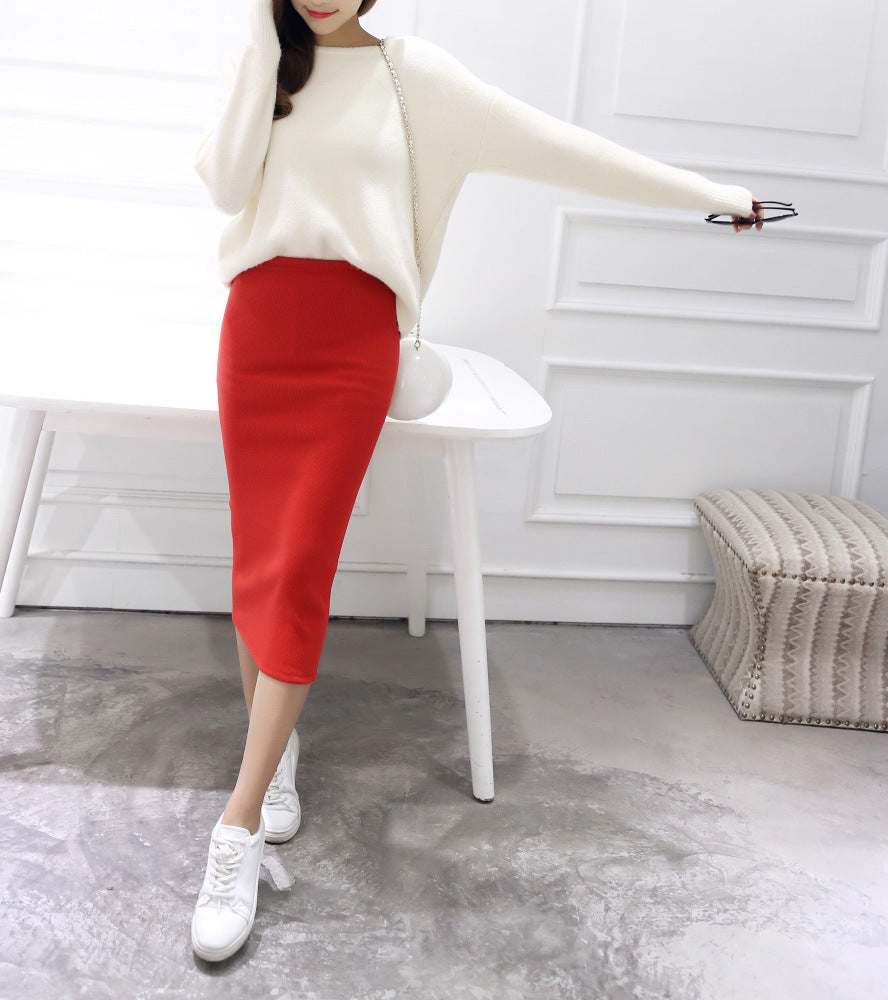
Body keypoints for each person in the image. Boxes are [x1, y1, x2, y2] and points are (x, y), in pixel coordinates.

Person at [188, 0, 763, 962]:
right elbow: (222, 184)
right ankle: (273, 754)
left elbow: (561, 148)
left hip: (349, 348)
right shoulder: (265, 63)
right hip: (256, 335)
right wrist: (258, 37)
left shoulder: (417, 79)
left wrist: (711, 192)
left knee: (299, 572)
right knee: (259, 564)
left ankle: (237, 826)